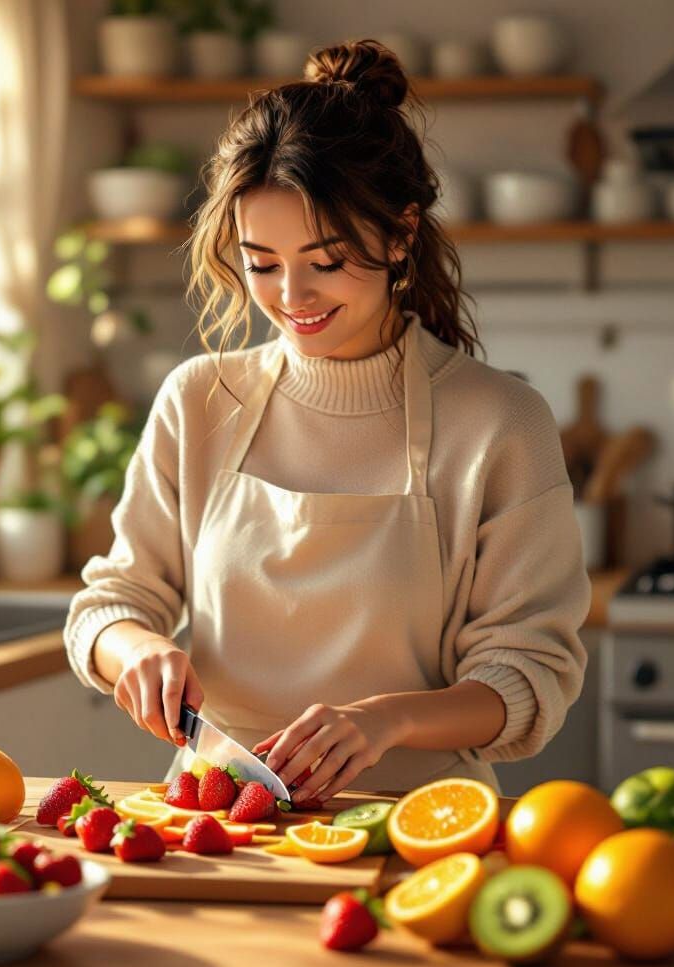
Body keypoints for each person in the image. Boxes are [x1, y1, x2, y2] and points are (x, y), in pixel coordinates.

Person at [64, 39, 590, 803]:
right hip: (223, 822)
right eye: (262, 263)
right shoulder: (199, 400)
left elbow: (529, 674)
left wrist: (386, 721)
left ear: (401, 234)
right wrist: (136, 648)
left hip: (418, 827)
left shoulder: (500, 423)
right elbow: (111, 603)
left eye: (327, 260)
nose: (292, 296)